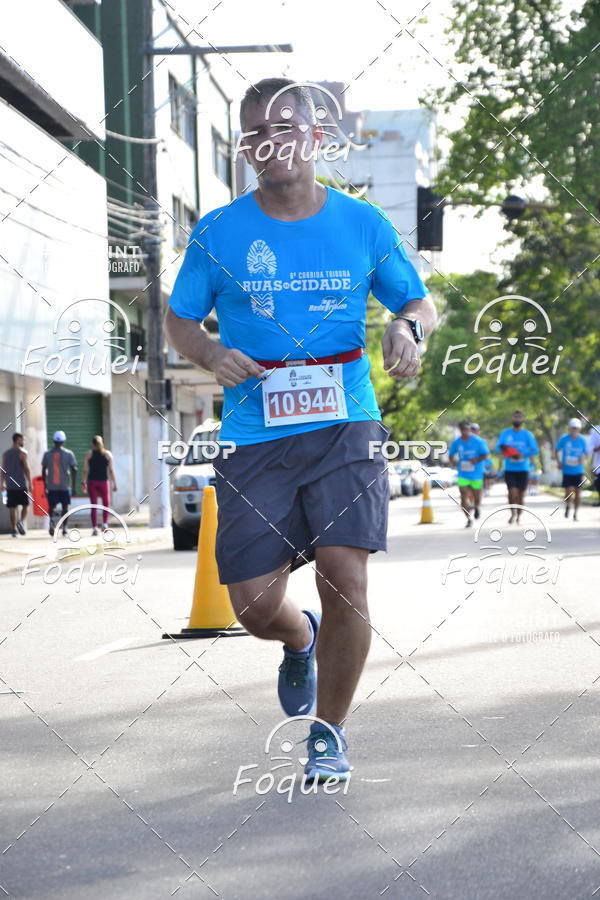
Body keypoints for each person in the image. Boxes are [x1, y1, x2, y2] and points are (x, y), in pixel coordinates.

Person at [164, 78, 437, 781]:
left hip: (346, 419)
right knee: (253, 606)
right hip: (256, 433)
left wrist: (405, 329)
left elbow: (415, 299)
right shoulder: (219, 232)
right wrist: (210, 353)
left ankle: (330, 732)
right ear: (245, 148)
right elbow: (181, 318)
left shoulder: (361, 224)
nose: (269, 141)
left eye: (284, 126)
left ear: (317, 137)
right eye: (254, 131)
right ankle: (296, 637)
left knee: (347, 578)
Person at [496, 410, 539, 524]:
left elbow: (535, 450)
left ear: (523, 419)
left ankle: (519, 515)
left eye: (519, 417)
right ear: (512, 419)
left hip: (523, 469)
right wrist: (509, 453)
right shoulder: (505, 433)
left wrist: (522, 455)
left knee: (520, 495)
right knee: (512, 492)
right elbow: (498, 448)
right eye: (515, 417)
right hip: (510, 469)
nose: (517, 419)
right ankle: (512, 513)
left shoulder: (527, 434)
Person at [448, 420, 489, 527]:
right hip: (463, 474)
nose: (465, 432)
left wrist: (476, 460)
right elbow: (451, 455)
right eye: (463, 430)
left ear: (470, 430)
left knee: (477, 497)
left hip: (476, 474)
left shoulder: (478, 441)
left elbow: (485, 455)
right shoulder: (457, 442)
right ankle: (468, 519)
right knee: (463, 496)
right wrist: (453, 461)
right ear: (460, 430)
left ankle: (477, 507)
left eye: (467, 429)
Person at [41, 431, 78, 536]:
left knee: (51, 506)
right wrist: (74, 487)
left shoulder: (47, 454)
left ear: (53, 441)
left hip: (52, 486)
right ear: (64, 441)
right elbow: (74, 469)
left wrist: (45, 485)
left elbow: (43, 470)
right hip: (64, 486)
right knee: (65, 507)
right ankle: (64, 528)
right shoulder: (69, 454)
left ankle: (51, 521)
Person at [82, 436, 118, 535]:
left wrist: (83, 482)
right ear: (102, 443)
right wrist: (115, 483)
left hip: (92, 482)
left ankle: (94, 528)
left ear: (93, 444)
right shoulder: (107, 454)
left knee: (94, 505)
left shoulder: (88, 454)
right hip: (103, 482)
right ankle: (105, 524)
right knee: (106, 504)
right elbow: (111, 470)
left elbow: (85, 470)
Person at [555, 418, 588, 521]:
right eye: (573, 428)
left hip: (578, 471)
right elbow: (556, 450)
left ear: (579, 429)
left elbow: (586, 453)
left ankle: (576, 513)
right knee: (569, 492)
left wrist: (583, 458)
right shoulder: (564, 439)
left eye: (576, 428)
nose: (574, 430)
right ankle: (568, 506)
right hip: (567, 471)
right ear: (569, 428)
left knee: (578, 492)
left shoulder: (582, 440)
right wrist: (559, 463)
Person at [1, 433, 32, 537]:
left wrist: (2, 483)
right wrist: (30, 483)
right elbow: (27, 469)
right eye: (23, 440)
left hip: (10, 485)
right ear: (18, 440)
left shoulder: (5, 454)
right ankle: (21, 522)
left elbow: (2, 470)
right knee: (25, 505)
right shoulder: (23, 452)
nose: (24, 442)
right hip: (21, 484)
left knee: (12, 508)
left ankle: (13, 530)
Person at [587, 426, 600, 506]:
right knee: (598, 484)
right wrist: (598, 448)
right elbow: (589, 449)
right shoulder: (596, 430)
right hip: (598, 467)